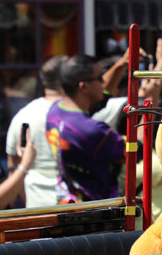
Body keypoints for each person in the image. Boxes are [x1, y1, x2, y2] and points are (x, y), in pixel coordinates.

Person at [46, 54, 127, 202]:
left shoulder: (55, 112)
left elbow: (101, 98)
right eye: (99, 78)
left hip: (68, 203)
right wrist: (150, 100)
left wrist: (122, 64)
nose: (103, 82)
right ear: (83, 86)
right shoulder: (91, 130)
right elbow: (135, 151)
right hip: (96, 212)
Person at [5, 55, 67, 208]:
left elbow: (13, 168)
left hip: (36, 208)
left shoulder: (23, 115)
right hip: (75, 208)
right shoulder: (77, 114)